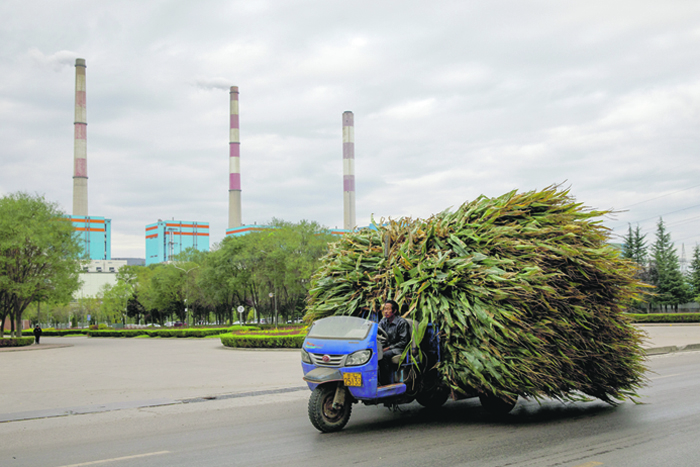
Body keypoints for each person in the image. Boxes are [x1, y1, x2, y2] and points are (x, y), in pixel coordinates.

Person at [378, 300, 410, 385]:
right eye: (384, 309)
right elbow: (378, 334)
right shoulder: (383, 322)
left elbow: (404, 341)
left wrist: (388, 348)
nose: (385, 311)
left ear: (394, 311)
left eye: (388, 309)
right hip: (386, 348)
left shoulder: (401, 323)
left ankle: (386, 383)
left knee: (383, 356)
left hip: (399, 349)